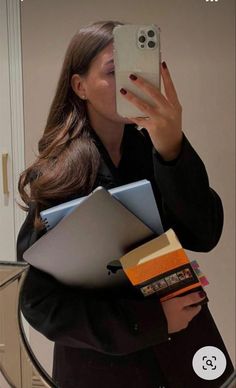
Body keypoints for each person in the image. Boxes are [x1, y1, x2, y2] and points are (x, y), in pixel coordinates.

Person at [17, 21, 233, 388]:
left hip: (185, 347)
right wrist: (150, 321)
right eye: (114, 70)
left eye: (138, 69)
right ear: (79, 86)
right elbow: (39, 302)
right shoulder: (59, 174)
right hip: (105, 368)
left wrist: (172, 148)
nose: (130, 81)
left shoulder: (156, 149)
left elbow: (204, 233)